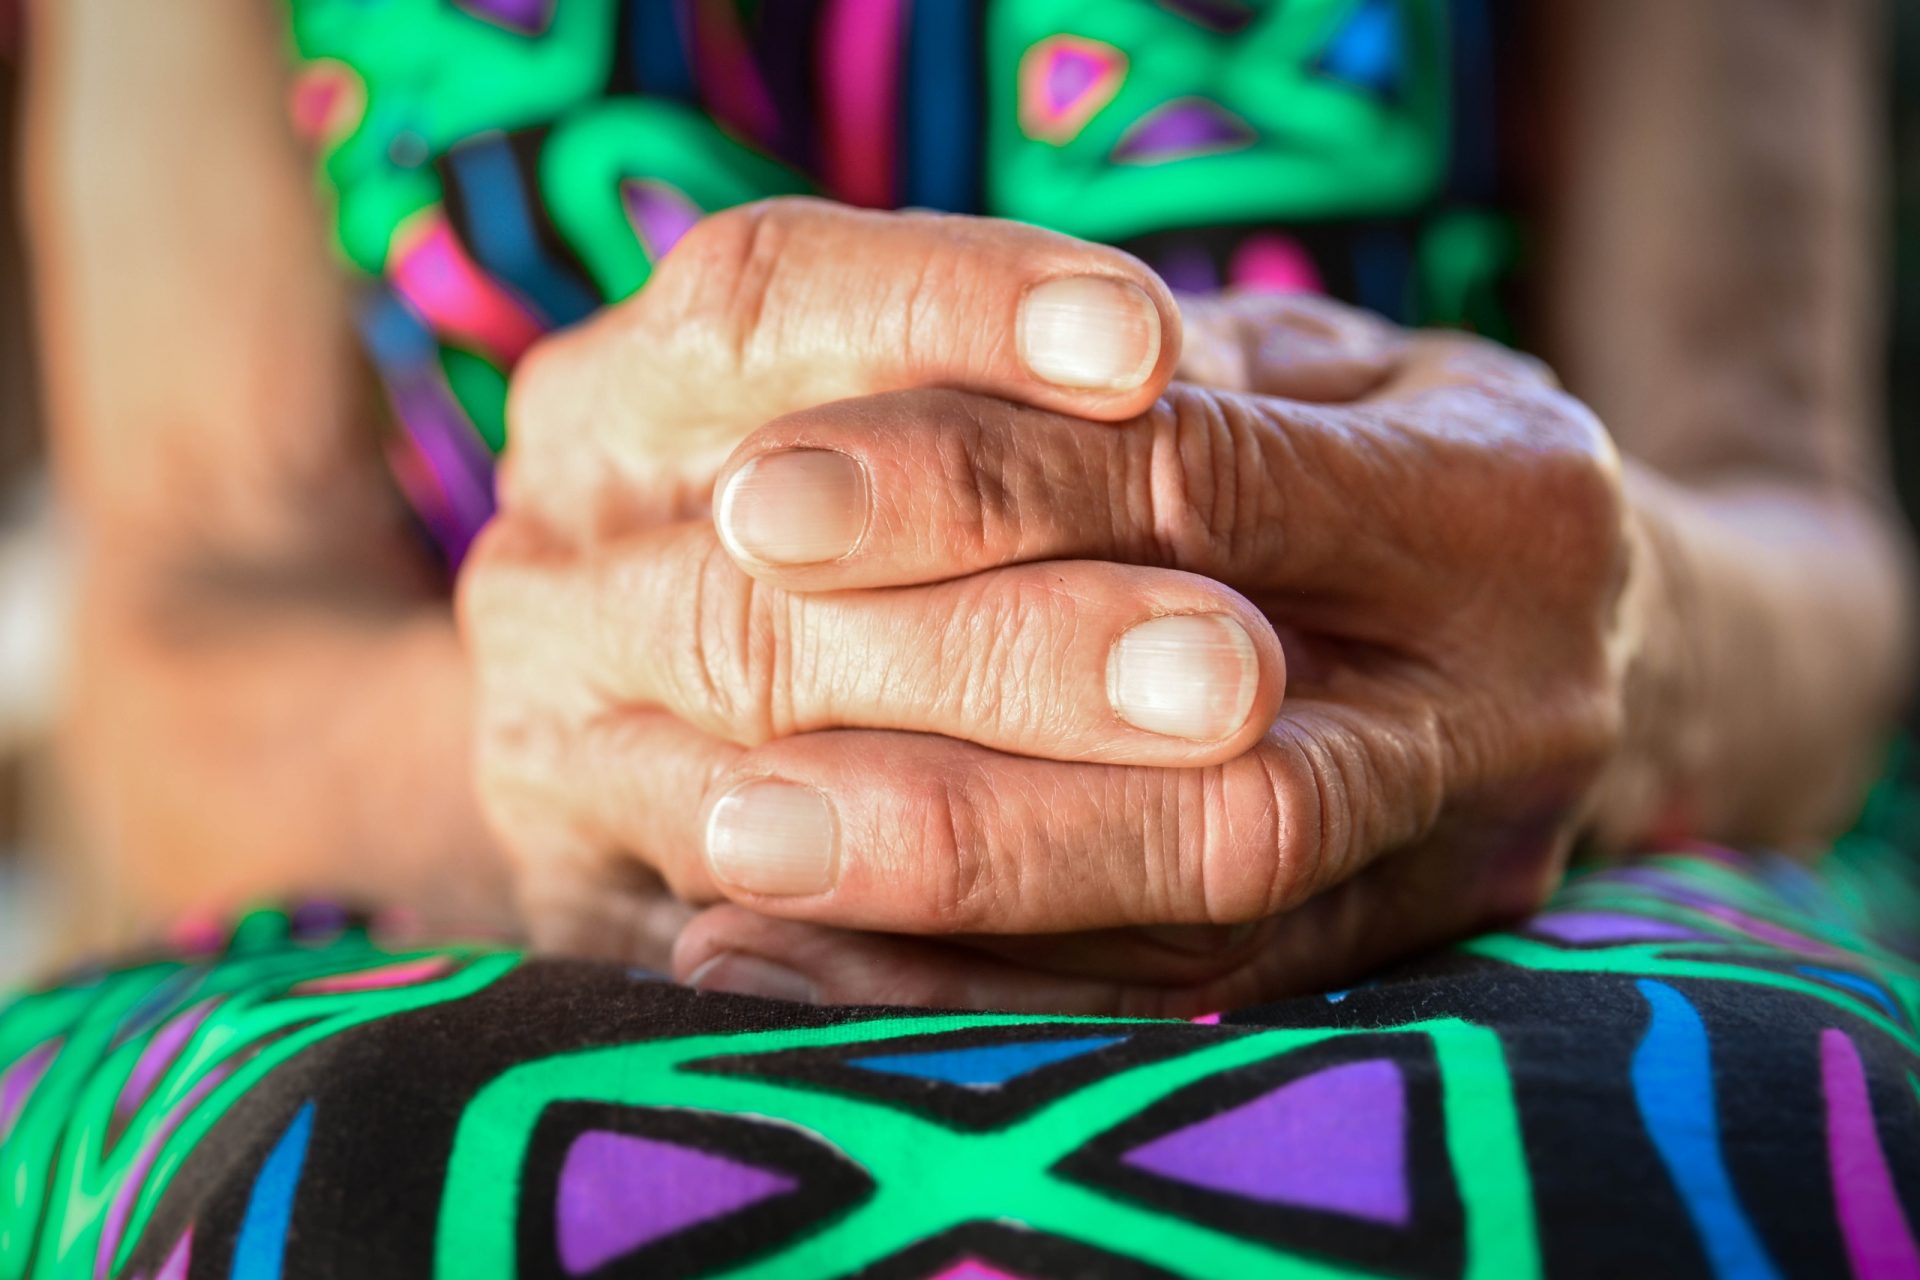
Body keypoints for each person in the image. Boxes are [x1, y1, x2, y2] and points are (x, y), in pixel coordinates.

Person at [4, 2, 1919, 1277]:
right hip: (483, 888)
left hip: (1519, 861)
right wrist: (539, 747)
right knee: (332, 1199)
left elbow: (1805, 560)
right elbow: (177, 642)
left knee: (1742, 1145)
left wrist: (1597, 623)